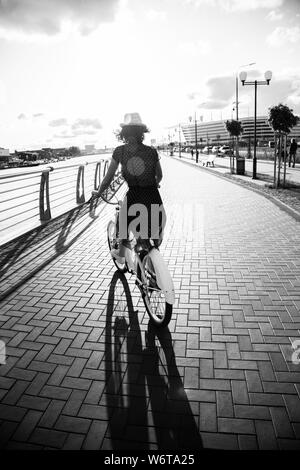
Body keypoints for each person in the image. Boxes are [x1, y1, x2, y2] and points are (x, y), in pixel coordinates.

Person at [94, 112, 166, 265]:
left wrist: (99, 192)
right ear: (141, 133)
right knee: (152, 236)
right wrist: (154, 183)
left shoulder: (119, 151)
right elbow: (159, 175)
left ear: (124, 133)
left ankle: (121, 255)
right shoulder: (152, 151)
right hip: (153, 196)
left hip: (134, 197)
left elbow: (108, 178)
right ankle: (152, 263)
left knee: (123, 225)